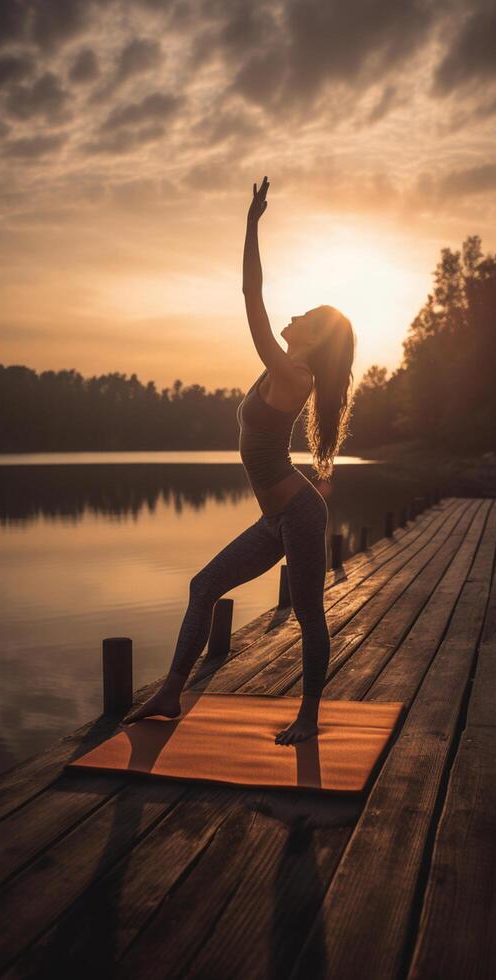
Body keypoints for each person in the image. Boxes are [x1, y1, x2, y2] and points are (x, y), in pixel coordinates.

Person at [122, 176, 356, 743]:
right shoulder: (282, 368)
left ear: (314, 337)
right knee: (204, 585)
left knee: (307, 615)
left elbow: (253, 299)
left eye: (305, 315)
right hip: (275, 518)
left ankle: (308, 716)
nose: (292, 314)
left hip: (299, 515)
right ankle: (171, 693)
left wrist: (252, 226)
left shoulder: (293, 372)